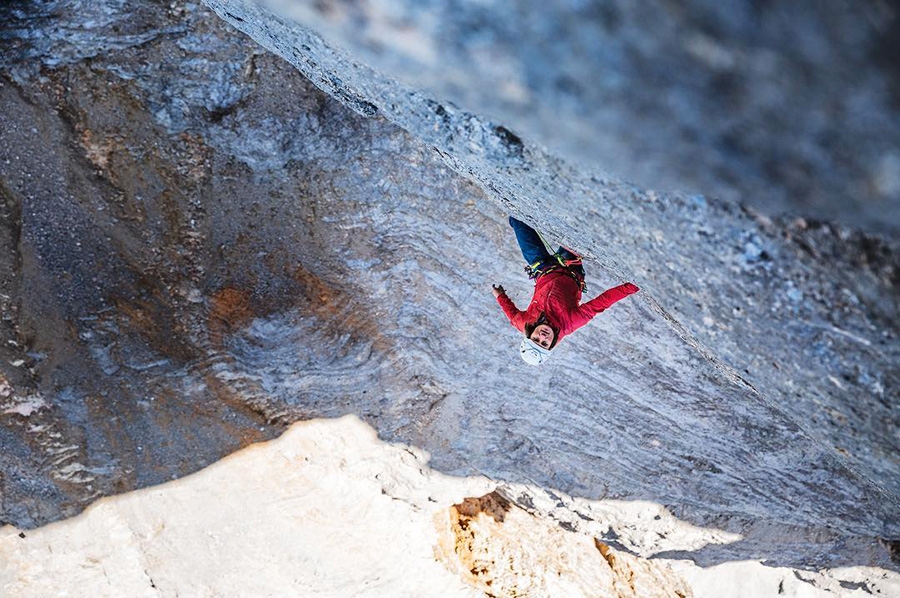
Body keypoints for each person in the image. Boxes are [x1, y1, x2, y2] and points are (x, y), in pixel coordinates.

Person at [493, 216, 639, 365]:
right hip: (570, 267)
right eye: (544, 343)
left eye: (536, 340)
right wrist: (632, 286)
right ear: (551, 345)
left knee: (518, 222)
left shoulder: (524, 323)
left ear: (529, 335)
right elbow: (601, 303)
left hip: (542, 268)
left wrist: (500, 296)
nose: (542, 337)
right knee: (578, 228)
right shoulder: (570, 323)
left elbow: (511, 315)